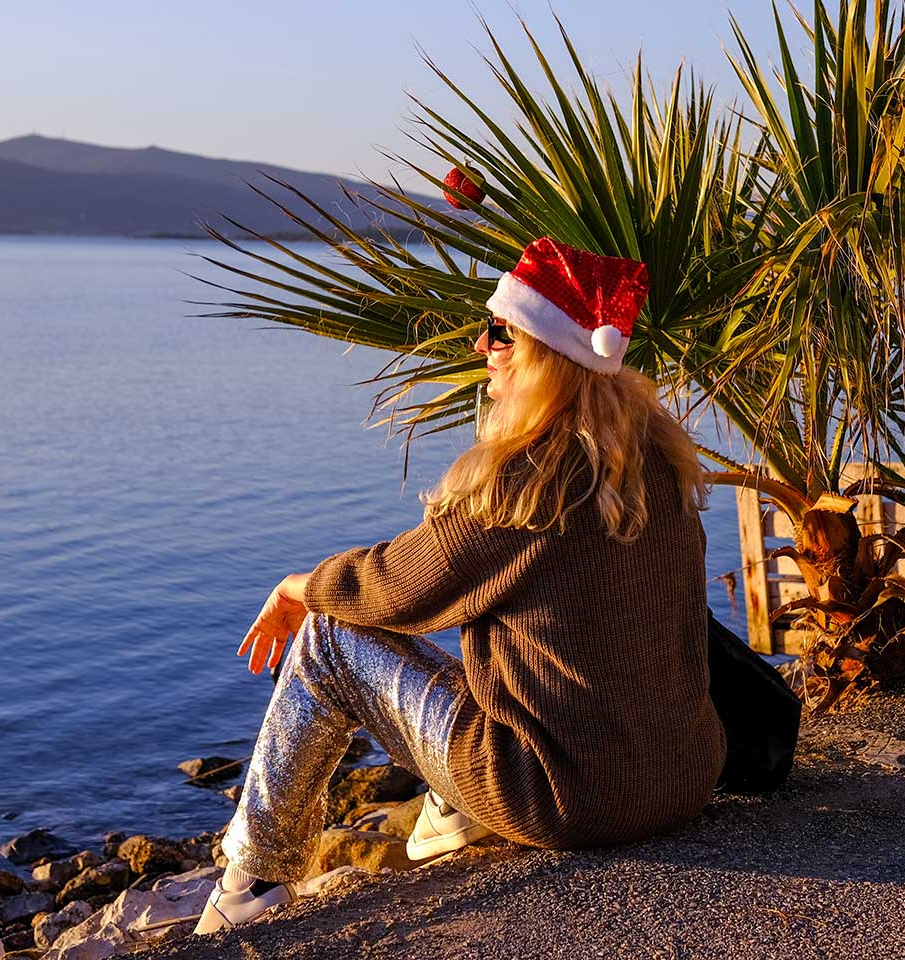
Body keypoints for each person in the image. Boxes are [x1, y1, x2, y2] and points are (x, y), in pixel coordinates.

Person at [195, 237, 727, 934]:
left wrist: (298, 587)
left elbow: (390, 589)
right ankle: (455, 806)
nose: (482, 345)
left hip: (562, 798)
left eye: (500, 332)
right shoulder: (657, 464)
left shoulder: (527, 483)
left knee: (330, 634)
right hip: (684, 778)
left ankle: (251, 882)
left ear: (544, 352)